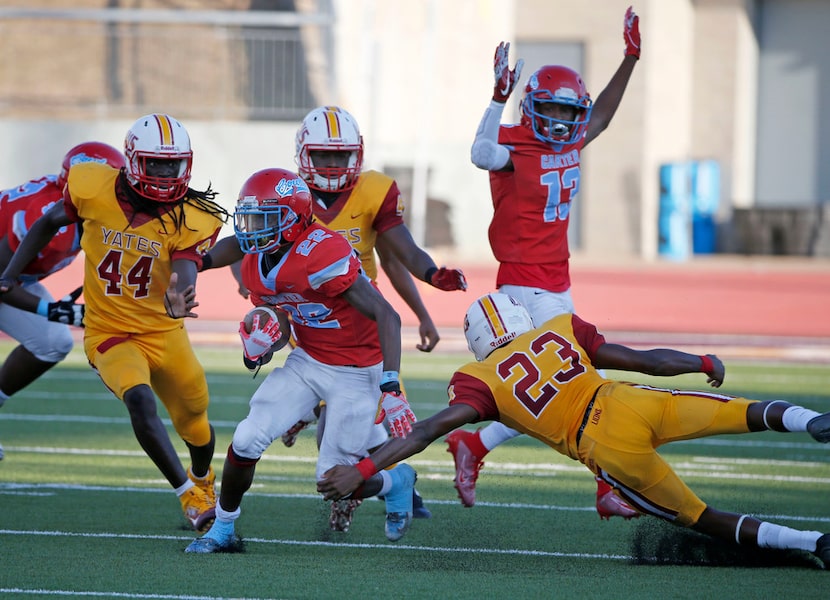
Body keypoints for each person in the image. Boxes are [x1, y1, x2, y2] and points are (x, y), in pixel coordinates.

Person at [318, 292, 830, 570]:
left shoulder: (476, 379)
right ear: (521, 317)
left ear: (476, 343)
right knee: (741, 411)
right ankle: (812, 421)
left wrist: (362, 468)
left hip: (604, 448)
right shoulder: (557, 328)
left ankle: (812, 541)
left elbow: (424, 431)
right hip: (629, 401)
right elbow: (642, 360)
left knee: (702, 518)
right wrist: (700, 359)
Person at [450, 6, 642, 518]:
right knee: (569, 381)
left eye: (566, 114)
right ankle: (605, 485)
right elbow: (479, 151)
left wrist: (630, 58)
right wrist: (496, 97)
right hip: (523, 284)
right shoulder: (516, 145)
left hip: (557, 281)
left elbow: (598, 115)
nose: (560, 123)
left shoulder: (574, 136)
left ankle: (474, 446)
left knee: (546, 386)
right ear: (532, 108)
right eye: (550, 112)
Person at [0, 114, 228, 532]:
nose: (163, 174)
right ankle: (189, 497)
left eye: (171, 165)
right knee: (139, 401)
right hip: (108, 331)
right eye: (154, 164)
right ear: (132, 162)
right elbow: (49, 221)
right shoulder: (91, 185)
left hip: (164, 331)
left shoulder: (195, 214)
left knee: (195, 421)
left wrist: (182, 292)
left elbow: (186, 264)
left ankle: (203, 478)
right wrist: (11, 274)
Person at [185, 168, 419, 553]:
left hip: (358, 371)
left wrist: (390, 386)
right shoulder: (256, 261)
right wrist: (259, 347)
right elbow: (278, 317)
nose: (251, 230)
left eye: (263, 219)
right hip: (309, 359)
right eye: (249, 217)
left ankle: (397, 481)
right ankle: (223, 529)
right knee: (246, 438)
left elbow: (387, 316)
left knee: (334, 481)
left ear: (293, 220)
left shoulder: (322, 253)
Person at [284, 105, 467, 524]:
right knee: (350, 417)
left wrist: (428, 284)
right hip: (311, 321)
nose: (332, 166)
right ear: (303, 155)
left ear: (358, 155)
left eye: (340, 156)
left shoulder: (374, 192)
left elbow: (396, 254)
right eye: (323, 156)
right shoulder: (288, 193)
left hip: (363, 324)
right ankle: (389, 485)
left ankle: (363, 482)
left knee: (358, 414)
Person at [0, 142, 125, 460]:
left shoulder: (79, 208)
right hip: (2, 274)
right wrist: (49, 309)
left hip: (12, 278)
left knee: (53, 341)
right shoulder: (45, 215)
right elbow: (1, 280)